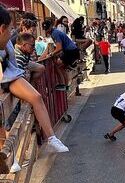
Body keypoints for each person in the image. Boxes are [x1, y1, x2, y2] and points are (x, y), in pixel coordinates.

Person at [0, 5, 69, 153]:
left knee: (36, 97)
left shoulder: (7, 44)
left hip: (9, 75)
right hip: (7, 76)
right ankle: (10, 158)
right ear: (2, 29)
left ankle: (51, 138)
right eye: (11, 30)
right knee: (5, 119)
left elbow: (12, 66)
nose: (13, 33)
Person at [42, 20, 80, 91]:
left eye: (47, 29)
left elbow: (59, 48)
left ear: (51, 26)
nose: (47, 31)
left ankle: (64, 86)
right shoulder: (55, 32)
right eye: (45, 29)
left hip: (71, 52)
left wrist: (51, 54)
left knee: (59, 66)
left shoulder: (54, 33)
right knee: (60, 66)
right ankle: (65, 84)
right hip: (71, 51)